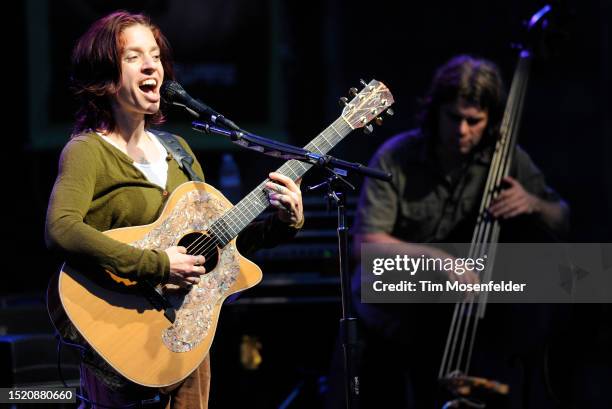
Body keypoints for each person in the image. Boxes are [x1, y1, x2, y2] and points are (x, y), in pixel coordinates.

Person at [45, 11, 304, 409]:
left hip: (187, 333)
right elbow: (61, 229)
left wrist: (283, 222)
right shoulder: (88, 150)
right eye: (133, 57)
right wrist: (158, 265)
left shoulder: (178, 153)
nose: (152, 65)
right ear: (105, 74)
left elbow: (219, 248)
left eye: (155, 55)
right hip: (121, 329)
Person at [326, 55, 569, 409]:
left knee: (574, 275)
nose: (462, 130)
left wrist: (534, 203)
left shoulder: (508, 158)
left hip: (466, 321)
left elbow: (563, 218)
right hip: (392, 319)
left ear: (490, 120)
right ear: (435, 111)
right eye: (454, 118)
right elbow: (366, 246)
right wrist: (438, 260)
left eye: (474, 121)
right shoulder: (396, 157)